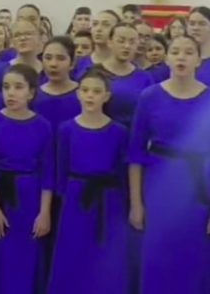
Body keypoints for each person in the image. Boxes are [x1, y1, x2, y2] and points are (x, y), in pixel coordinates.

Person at [128, 35, 210, 294]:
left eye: (188, 52)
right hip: (160, 185)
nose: (181, 57)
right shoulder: (149, 97)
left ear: (198, 60)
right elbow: (135, 154)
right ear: (166, 58)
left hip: (198, 187)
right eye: (175, 51)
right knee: (159, 252)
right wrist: (136, 204)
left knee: (196, 255)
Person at [48, 69, 129, 294]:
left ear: (107, 96)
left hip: (109, 202)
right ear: (78, 94)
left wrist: (121, 205)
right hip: (75, 199)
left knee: (104, 255)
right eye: (85, 90)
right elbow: (61, 169)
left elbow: (122, 172)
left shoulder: (119, 131)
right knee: (74, 251)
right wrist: (65, 200)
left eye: (96, 91)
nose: (90, 95)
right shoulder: (66, 129)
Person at [0, 64, 54, 294]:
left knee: (25, 259)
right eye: (6, 87)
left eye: (18, 87)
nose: (11, 93)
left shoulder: (43, 126)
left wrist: (44, 212)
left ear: (31, 92)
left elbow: (48, 172)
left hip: (30, 199)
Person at [97, 23, 154, 128]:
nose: (127, 46)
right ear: (110, 42)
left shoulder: (145, 78)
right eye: (121, 41)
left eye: (132, 42)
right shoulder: (95, 73)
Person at [33, 36, 80, 130]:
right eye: (48, 58)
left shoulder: (82, 95)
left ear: (72, 62)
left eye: (61, 58)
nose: (53, 64)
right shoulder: (34, 95)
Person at [0, 20, 43, 90]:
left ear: (39, 37)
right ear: (11, 41)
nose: (22, 38)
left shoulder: (49, 71)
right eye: (17, 35)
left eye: (28, 34)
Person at [73, 9, 119, 80]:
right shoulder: (77, 64)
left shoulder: (126, 66)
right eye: (95, 24)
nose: (99, 29)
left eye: (106, 25)